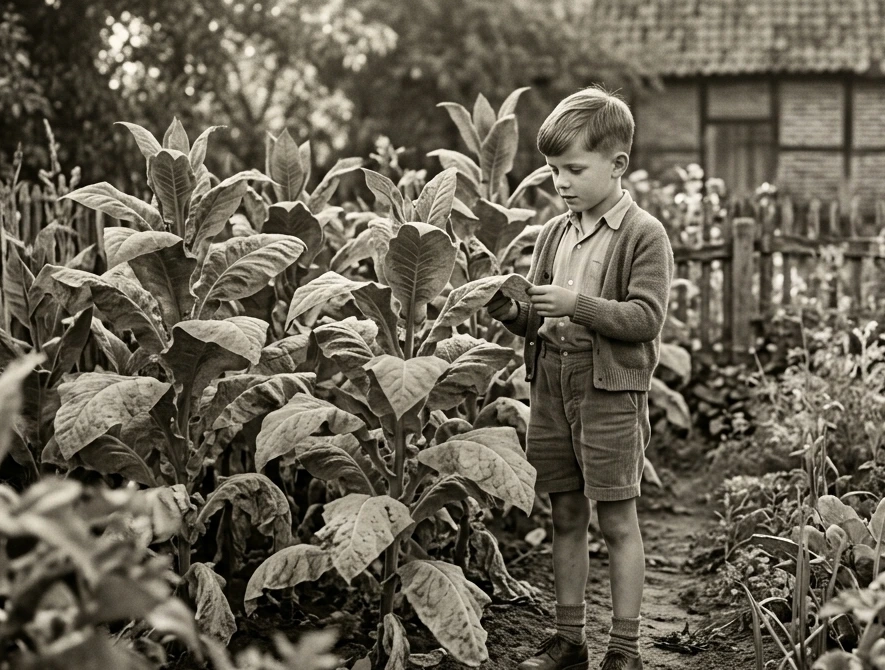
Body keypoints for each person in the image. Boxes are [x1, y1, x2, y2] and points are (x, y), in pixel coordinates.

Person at [486, 85, 674, 670]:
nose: (559, 182)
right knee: (564, 513)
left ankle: (625, 648)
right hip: (553, 386)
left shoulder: (645, 235)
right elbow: (540, 319)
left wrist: (578, 304)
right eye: (551, 170)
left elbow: (645, 319)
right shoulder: (552, 234)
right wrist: (516, 314)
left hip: (610, 391)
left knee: (617, 519)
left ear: (617, 165)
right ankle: (570, 640)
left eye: (573, 169)